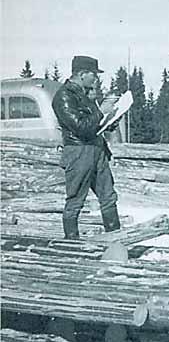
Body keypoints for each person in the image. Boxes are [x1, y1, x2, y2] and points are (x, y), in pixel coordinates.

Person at [52, 55, 121, 239]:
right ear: (82, 74)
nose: (96, 78)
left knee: (108, 197)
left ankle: (116, 241)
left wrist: (111, 120)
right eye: (94, 74)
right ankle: (72, 244)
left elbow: (94, 125)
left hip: (96, 149)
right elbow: (81, 127)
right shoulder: (64, 96)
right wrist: (101, 111)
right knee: (75, 200)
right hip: (79, 151)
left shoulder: (85, 95)